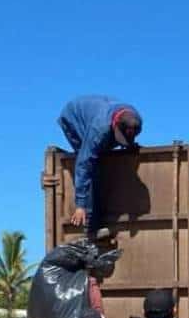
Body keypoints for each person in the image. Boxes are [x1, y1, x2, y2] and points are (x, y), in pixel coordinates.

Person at [57, 95, 144, 240]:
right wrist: (80, 205)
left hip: (100, 112)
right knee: (92, 168)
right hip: (73, 118)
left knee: (102, 157)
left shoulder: (136, 121)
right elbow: (84, 164)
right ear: (115, 124)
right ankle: (91, 228)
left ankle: (97, 217)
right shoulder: (99, 128)